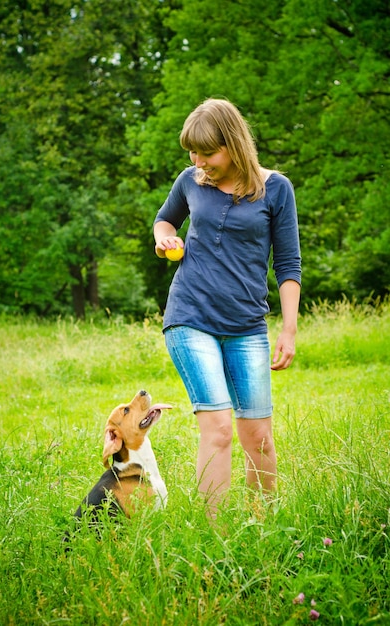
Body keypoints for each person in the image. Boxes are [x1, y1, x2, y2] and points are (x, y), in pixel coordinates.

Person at [153, 98, 301, 516]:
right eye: (192, 152)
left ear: (234, 145)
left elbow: (289, 263)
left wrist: (288, 330)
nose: (199, 161)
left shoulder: (276, 189)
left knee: (259, 437)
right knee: (217, 430)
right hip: (190, 315)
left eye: (207, 152)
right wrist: (164, 237)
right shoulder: (190, 180)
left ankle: (263, 527)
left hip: (247, 325)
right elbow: (164, 220)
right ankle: (212, 535)